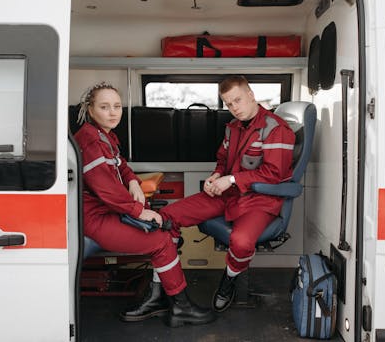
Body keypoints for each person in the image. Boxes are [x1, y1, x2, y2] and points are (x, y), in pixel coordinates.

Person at [122, 75, 296, 316]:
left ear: (251, 95)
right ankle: (160, 291)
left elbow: (274, 174)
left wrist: (232, 179)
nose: (234, 108)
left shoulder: (277, 129)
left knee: (242, 242)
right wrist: (216, 176)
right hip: (227, 194)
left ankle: (230, 279)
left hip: (260, 200)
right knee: (165, 217)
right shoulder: (232, 128)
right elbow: (223, 159)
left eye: (238, 100)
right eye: (229, 103)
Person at [73, 82, 215, 327]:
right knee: (161, 242)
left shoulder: (104, 135)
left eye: (117, 106)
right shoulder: (90, 141)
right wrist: (140, 211)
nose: (113, 112)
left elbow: (122, 167)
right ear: (91, 109)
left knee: (165, 230)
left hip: (109, 212)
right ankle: (181, 307)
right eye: (104, 107)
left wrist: (133, 182)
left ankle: (160, 298)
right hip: (95, 218)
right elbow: (106, 191)